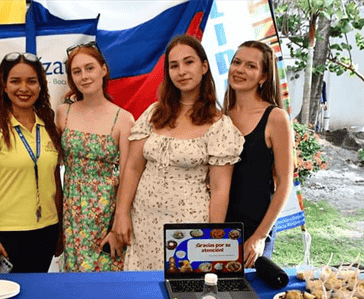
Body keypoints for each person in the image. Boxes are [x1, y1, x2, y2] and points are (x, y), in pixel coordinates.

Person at [113, 34, 244, 271]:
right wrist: (121, 214)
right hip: (143, 220)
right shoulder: (153, 114)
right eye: (174, 65)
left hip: (188, 226)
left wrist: (212, 239)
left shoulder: (219, 125)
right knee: (142, 291)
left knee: (183, 291)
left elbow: (220, 190)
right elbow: (132, 167)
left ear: (204, 66)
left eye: (189, 62)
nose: (181, 71)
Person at [0, 52, 63, 273]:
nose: (24, 88)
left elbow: (55, 182)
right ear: (4, 86)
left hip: (46, 231)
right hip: (7, 235)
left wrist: (60, 229)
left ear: (41, 87)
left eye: (31, 81)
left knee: (37, 297)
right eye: (15, 81)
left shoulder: (49, 127)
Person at [56, 41, 134, 272]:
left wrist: (119, 223)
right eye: (76, 71)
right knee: (73, 282)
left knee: (106, 281)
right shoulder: (63, 113)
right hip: (71, 216)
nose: (84, 76)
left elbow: (128, 175)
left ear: (103, 69)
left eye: (89, 68)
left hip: (106, 217)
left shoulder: (123, 119)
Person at [223, 40, 294, 268]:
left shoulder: (275, 118)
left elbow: (284, 184)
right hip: (218, 227)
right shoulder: (220, 115)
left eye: (251, 66)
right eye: (237, 62)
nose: (240, 70)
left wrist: (260, 237)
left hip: (254, 229)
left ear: (264, 76)